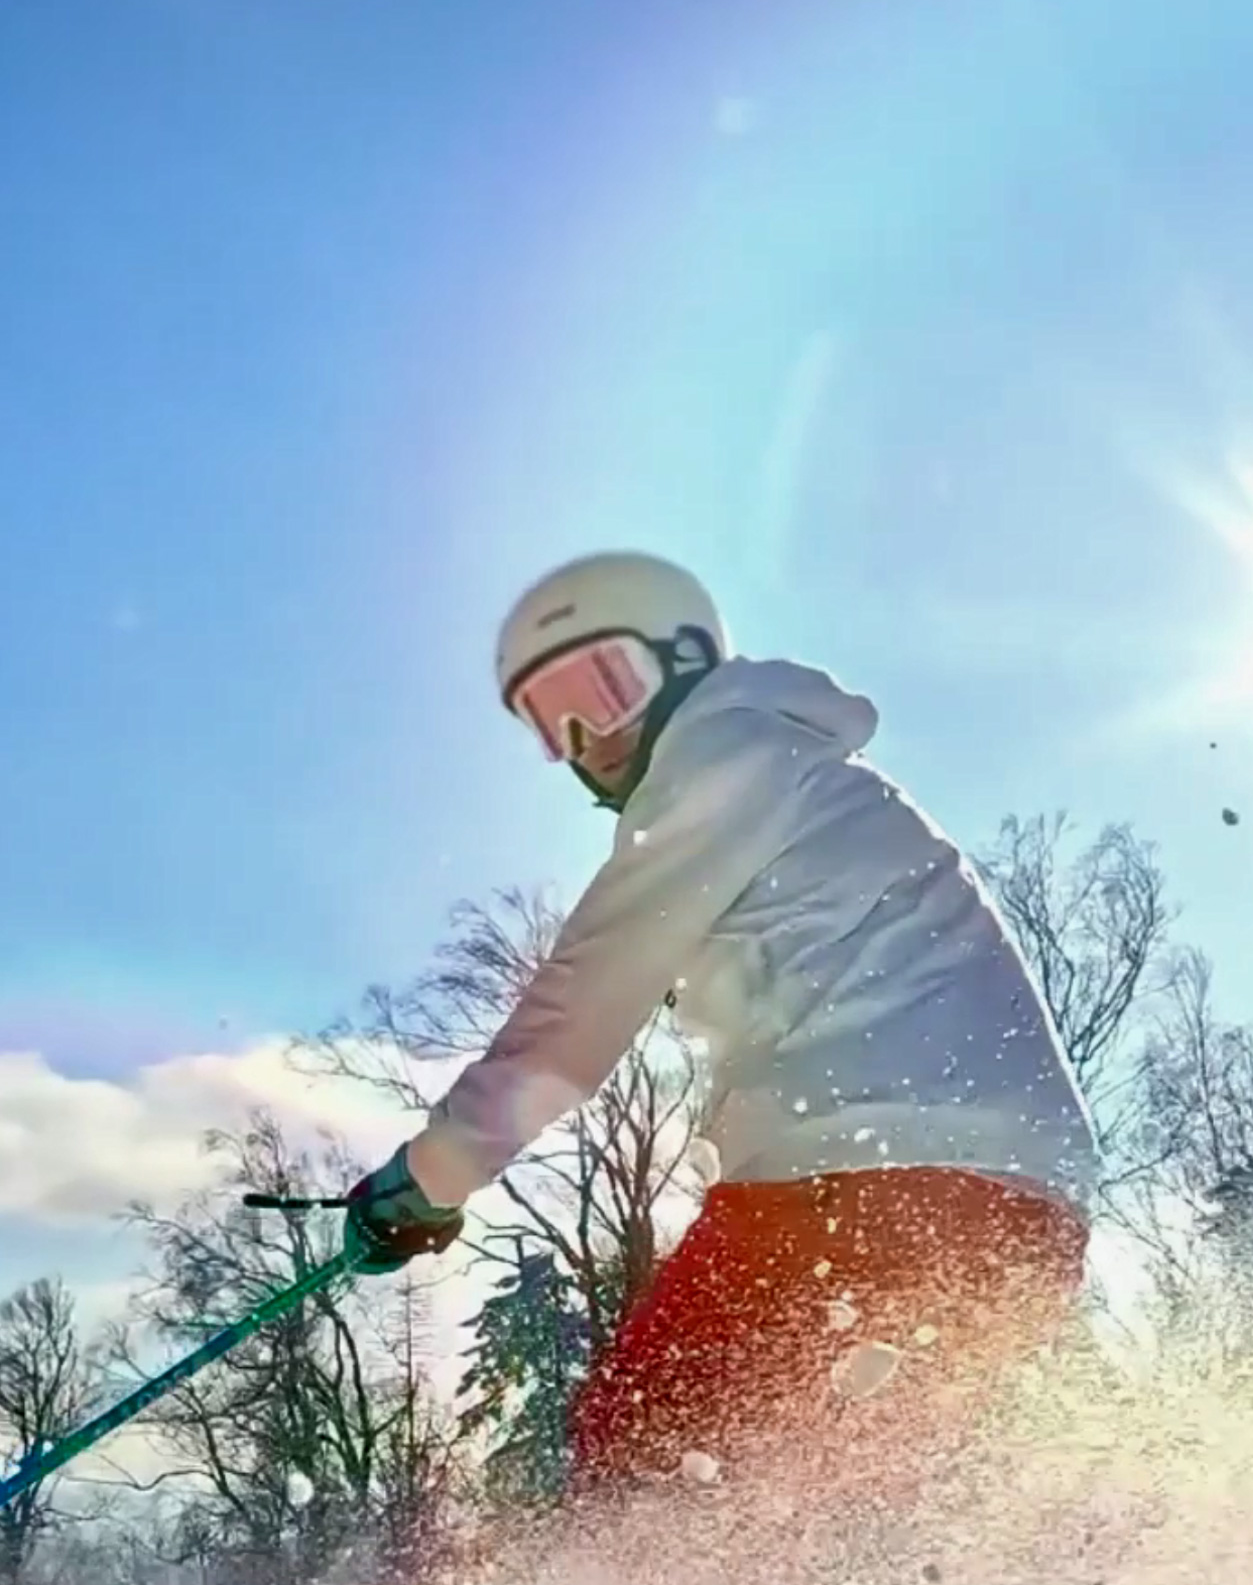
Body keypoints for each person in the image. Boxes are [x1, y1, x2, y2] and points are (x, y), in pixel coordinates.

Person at [339, 550, 1100, 1515]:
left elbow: (581, 1004)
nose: (586, 740)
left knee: (645, 1433)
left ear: (685, 658)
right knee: (834, 1495)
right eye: (551, 720)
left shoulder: (722, 757)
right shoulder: (794, 777)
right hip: (1020, 1211)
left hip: (871, 1177)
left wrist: (428, 1177)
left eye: (600, 690)